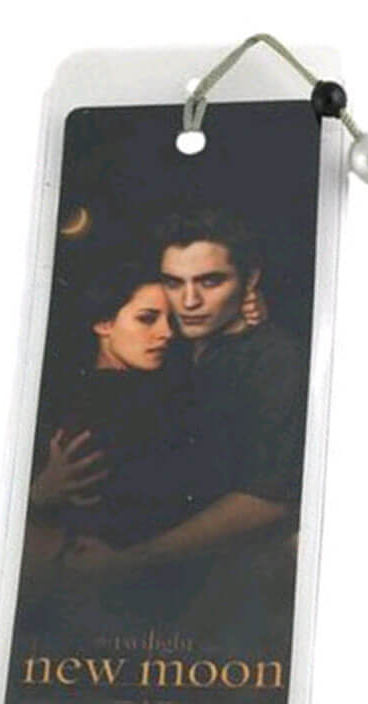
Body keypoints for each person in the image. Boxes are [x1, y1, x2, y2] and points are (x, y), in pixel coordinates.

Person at [66, 210, 307, 589]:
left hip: (222, 584)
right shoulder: (167, 345)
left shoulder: (275, 359)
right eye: (174, 283)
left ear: (250, 280)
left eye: (210, 282)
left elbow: (269, 499)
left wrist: (127, 561)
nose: (189, 301)